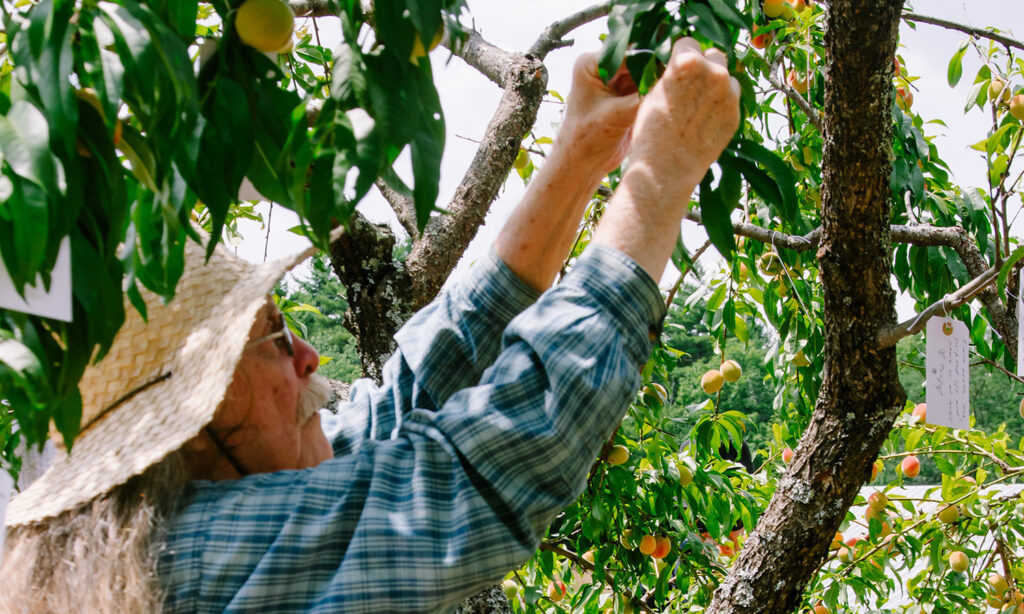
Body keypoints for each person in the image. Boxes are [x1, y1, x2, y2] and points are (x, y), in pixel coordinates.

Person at [0, 38, 739, 613]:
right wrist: (657, 178)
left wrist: (579, 152)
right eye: (273, 338)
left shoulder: (169, 516)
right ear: (197, 421)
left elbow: (405, 401)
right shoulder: (185, 563)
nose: (309, 356)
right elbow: (464, 481)